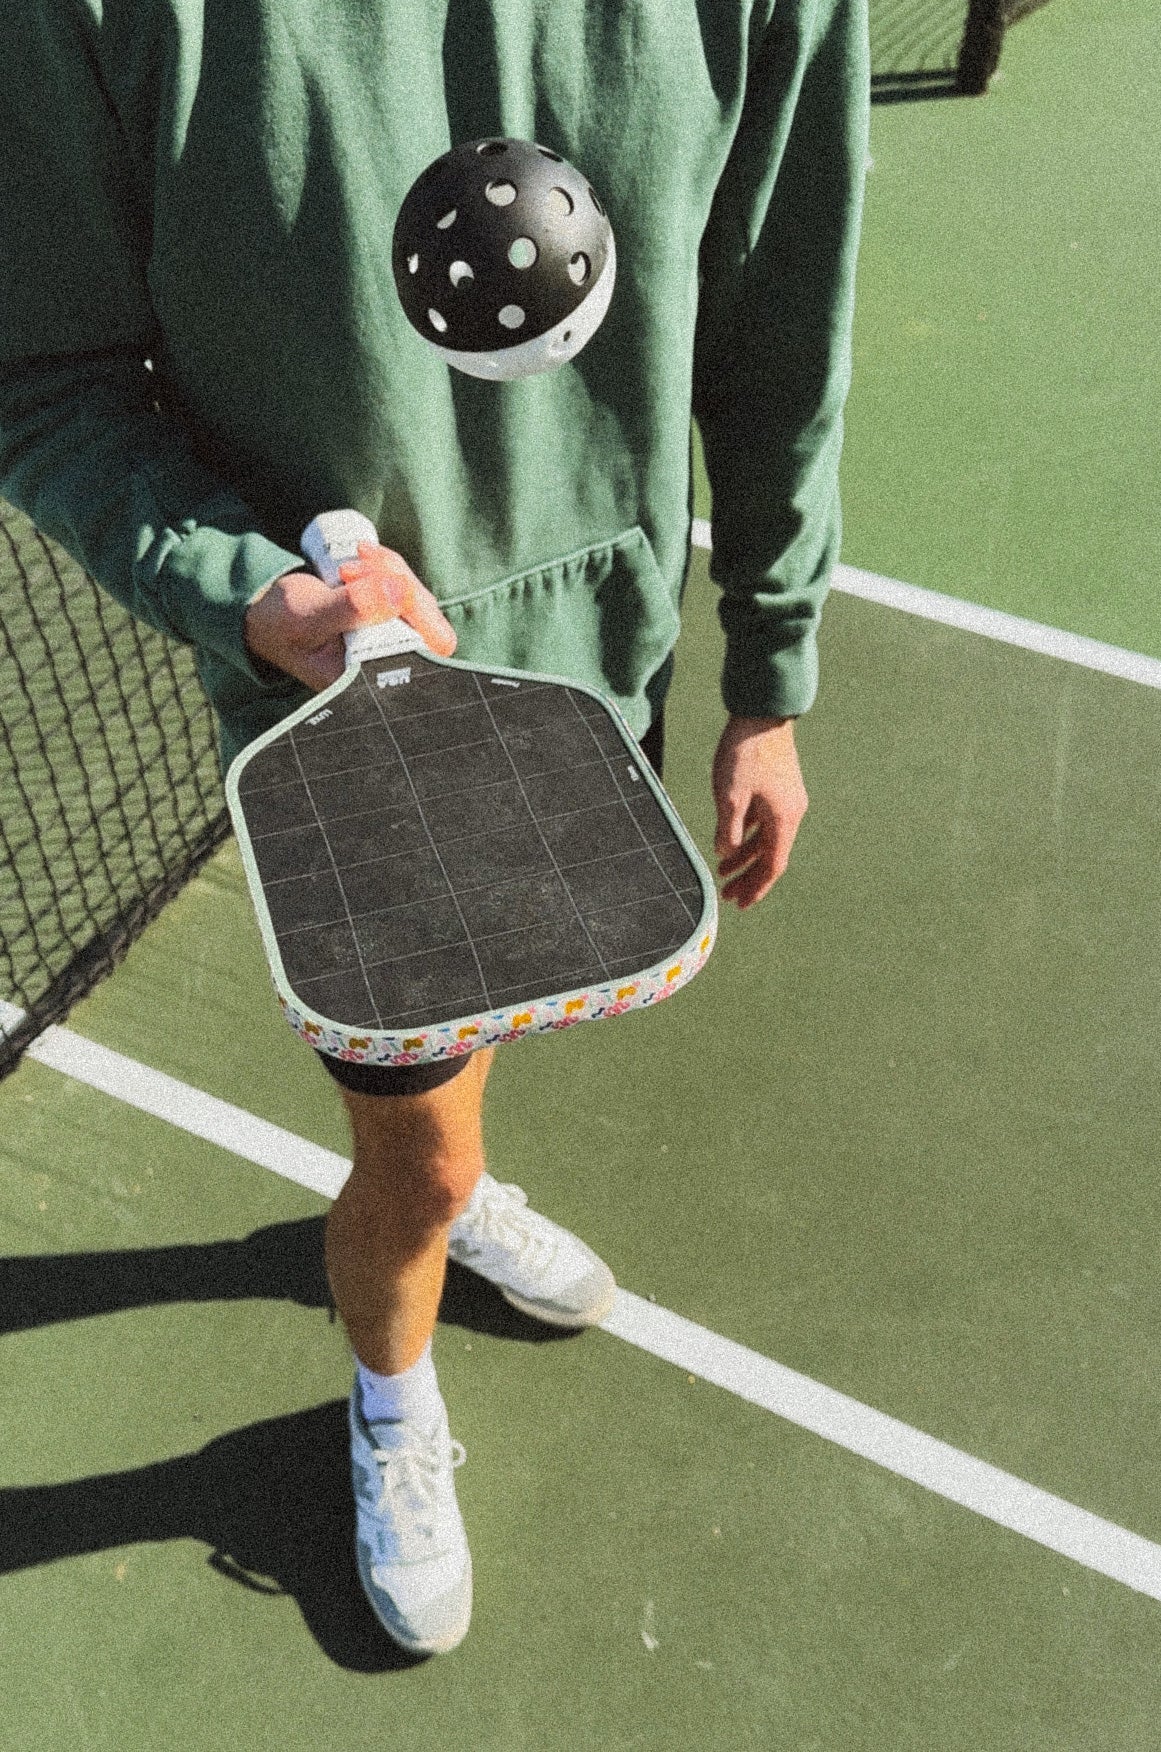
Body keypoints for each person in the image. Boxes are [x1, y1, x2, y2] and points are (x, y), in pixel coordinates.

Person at [0, 0, 869, 1654]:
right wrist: (257, 595)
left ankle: (448, 1187)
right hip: (343, 726)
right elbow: (40, 378)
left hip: (599, 662)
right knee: (418, 1148)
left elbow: (777, 316)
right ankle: (390, 1396)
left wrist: (770, 667)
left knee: (478, 1052)